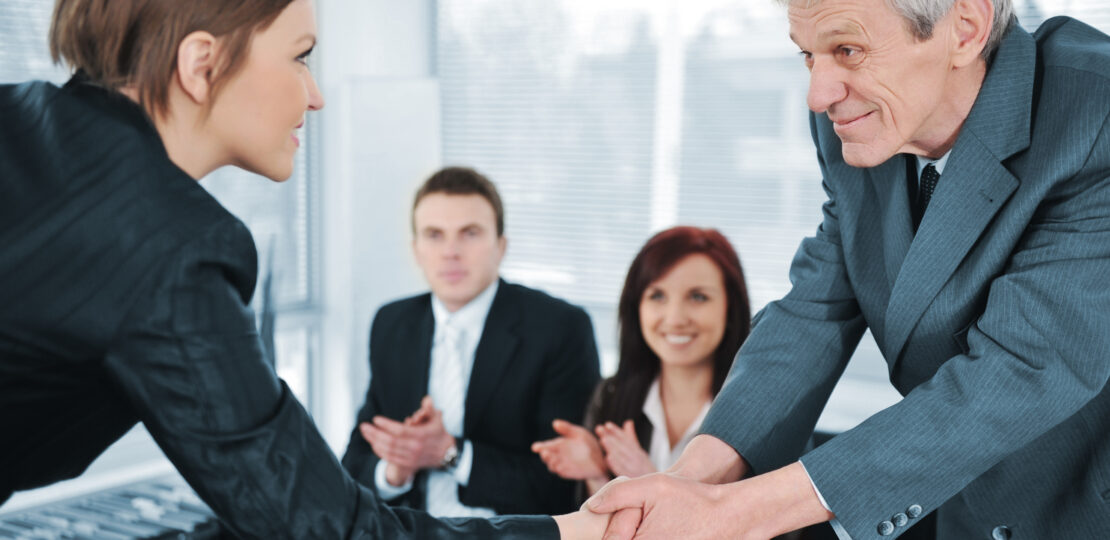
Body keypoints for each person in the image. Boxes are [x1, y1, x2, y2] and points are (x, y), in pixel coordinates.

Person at [0, 0, 608, 537]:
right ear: (202, 64)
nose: (315, 95)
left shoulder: (19, 116)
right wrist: (575, 536)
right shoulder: (170, 248)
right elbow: (326, 526)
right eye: (301, 57)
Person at [586, 0, 1110, 539]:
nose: (818, 95)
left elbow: (1022, 370)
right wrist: (690, 482)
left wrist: (734, 515)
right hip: (972, 512)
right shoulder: (862, 123)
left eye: (848, 50)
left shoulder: (1096, 113)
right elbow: (816, 309)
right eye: (808, 55)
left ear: (965, 28)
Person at [341, 166, 602, 517]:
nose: (451, 251)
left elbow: (560, 485)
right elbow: (355, 462)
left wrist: (449, 453)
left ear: (501, 246)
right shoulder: (393, 323)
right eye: (434, 235)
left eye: (470, 233)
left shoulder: (560, 328)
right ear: (416, 250)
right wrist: (396, 469)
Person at [531, 226, 751, 498]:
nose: (675, 318)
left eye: (698, 297)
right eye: (657, 296)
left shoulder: (762, 414)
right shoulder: (613, 396)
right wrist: (598, 475)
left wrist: (650, 481)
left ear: (730, 309)